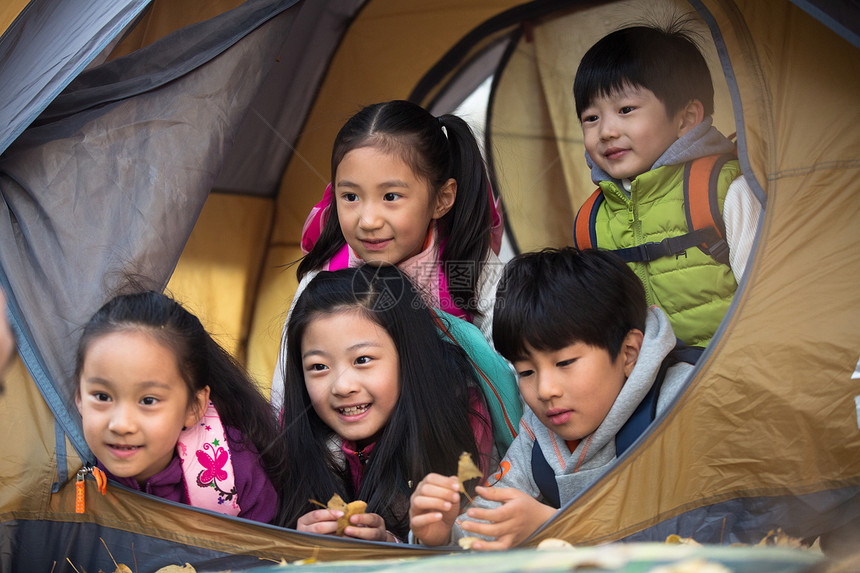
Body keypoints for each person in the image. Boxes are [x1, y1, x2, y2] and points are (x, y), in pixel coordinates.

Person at [409, 247, 696, 549]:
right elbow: (489, 518)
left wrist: (555, 527)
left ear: (628, 353)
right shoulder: (537, 438)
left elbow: (709, 531)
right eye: (526, 372)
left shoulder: (683, 405)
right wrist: (443, 533)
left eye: (564, 363)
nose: (545, 390)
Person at [270, 99, 504, 409]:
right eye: (351, 196)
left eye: (390, 196)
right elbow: (285, 388)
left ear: (441, 199)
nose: (368, 221)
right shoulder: (326, 277)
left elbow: (507, 369)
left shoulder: (468, 265)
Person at [571, 21, 762, 347]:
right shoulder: (591, 221)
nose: (606, 131)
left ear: (685, 119)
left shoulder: (722, 190)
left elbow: (766, 301)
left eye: (626, 109)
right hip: (652, 385)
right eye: (591, 117)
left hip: (736, 374)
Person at [275, 265, 492, 542]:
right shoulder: (291, 441)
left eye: (362, 360)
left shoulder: (456, 421)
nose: (342, 387)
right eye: (318, 366)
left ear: (408, 357)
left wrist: (391, 544)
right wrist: (297, 544)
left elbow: (475, 544)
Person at [74, 291, 284, 523]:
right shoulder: (63, 464)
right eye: (102, 396)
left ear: (194, 407)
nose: (121, 424)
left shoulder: (239, 472)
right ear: (79, 398)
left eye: (148, 401)